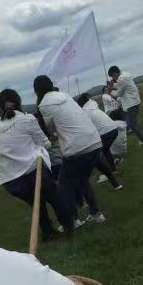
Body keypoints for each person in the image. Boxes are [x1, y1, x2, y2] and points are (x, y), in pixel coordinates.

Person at [0, 89, 72, 241]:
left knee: (37, 202)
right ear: (18, 102)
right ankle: (69, 226)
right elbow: (45, 143)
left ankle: (48, 233)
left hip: (10, 180)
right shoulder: (27, 118)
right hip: (31, 173)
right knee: (55, 198)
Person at [34, 76, 106, 225]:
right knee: (83, 181)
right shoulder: (65, 95)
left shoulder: (44, 105)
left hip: (76, 148)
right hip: (94, 141)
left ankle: (72, 221)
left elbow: (50, 130)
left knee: (63, 186)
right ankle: (96, 214)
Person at [77, 94, 122, 190]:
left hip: (106, 132)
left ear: (81, 104)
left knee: (98, 154)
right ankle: (113, 169)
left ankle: (107, 173)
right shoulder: (93, 106)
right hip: (114, 129)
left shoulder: (86, 112)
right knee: (105, 151)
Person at [106, 66, 143, 144]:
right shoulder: (125, 76)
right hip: (132, 102)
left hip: (131, 104)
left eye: (113, 77)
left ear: (114, 74)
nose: (114, 79)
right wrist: (112, 86)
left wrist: (110, 92)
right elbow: (120, 86)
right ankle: (142, 138)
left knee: (131, 124)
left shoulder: (121, 79)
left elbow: (119, 93)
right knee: (133, 123)